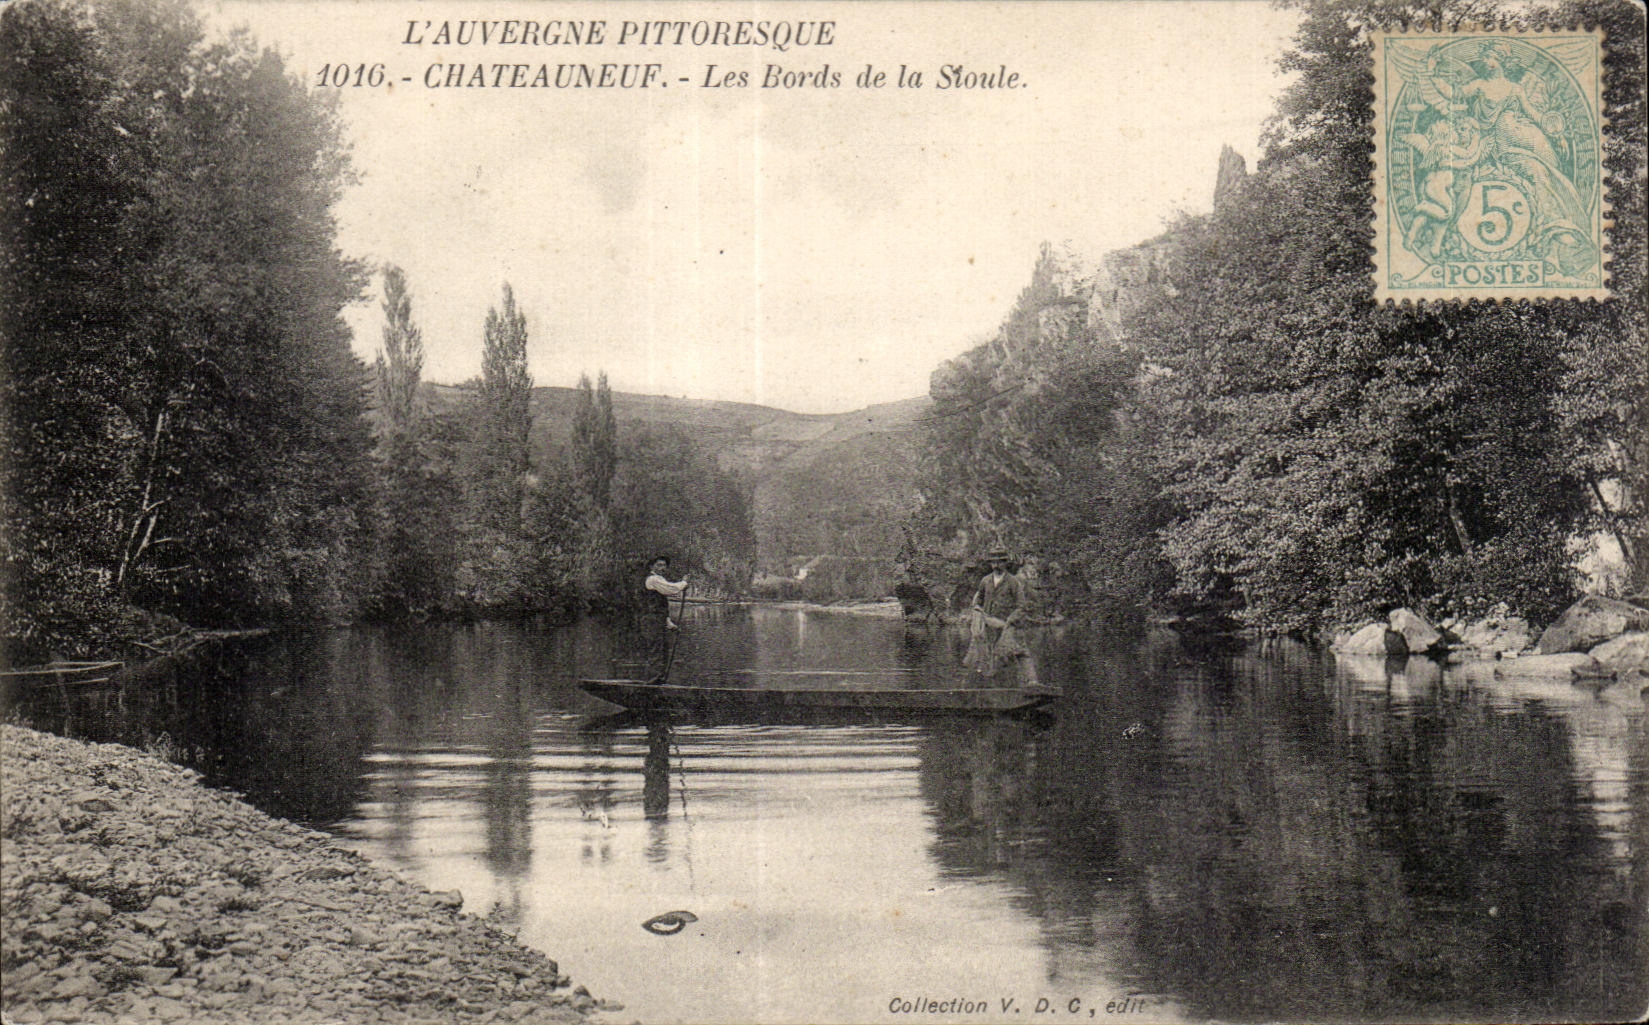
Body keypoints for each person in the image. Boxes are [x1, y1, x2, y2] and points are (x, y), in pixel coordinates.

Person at [964, 548, 1039, 685]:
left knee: (1020, 652)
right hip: (990, 627)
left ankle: (1032, 682)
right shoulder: (985, 581)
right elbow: (978, 602)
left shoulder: (1013, 582)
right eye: (993, 562)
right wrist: (978, 614)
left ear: (1005, 563)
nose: (996, 565)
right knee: (989, 656)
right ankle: (992, 687)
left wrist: (1011, 620)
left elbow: (1021, 606)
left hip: (1010, 626)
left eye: (999, 562)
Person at [642, 556, 688, 680]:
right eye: (659, 565)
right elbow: (671, 589)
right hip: (651, 621)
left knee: (663, 651)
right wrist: (683, 583)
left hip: (658, 621)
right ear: (652, 566)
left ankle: (659, 679)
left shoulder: (660, 580)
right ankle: (652, 681)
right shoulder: (652, 579)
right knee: (656, 651)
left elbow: (660, 607)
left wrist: (670, 624)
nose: (662, 568)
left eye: (664, 565)